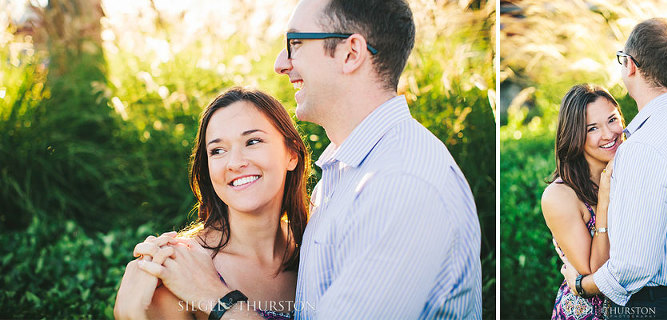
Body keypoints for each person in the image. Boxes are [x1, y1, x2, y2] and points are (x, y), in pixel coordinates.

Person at [130, 0, 482, 319]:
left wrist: (214, 296)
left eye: (296, 44)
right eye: (217, 149)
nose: (280, 64)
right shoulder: (342, 175)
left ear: (350, 52)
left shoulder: (401, 185)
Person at [559, 18, 667, 319]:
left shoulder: (644, 147)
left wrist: (582, 285)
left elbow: (634, 265)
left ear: (629, 65)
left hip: (651, 307)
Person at [114, 87, 311, 320]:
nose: (235, 163)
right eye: (218, 150)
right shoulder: (179, 270)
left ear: (292, 154)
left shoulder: (314, 245)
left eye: (252, 141)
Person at [541, 84, 625, 319]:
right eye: (592, 129)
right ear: (575, 136)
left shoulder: (631, 173)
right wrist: (604, 200)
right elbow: (595, 270)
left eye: (612, 120)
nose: (608, 134)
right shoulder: (560, 196)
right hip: (588, 312)